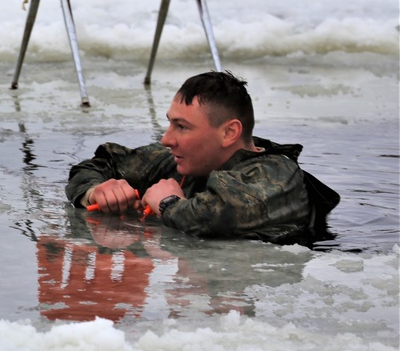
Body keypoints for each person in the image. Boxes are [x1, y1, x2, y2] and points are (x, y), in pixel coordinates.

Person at [66, 71, 339, 244]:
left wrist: (167, 203)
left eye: (182, 127)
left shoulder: (276, 176)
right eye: (170, 123)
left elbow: (218, 213)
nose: (166, 139)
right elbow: (102, 163)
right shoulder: (180, 160)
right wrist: (97, 191)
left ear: (229, 132)